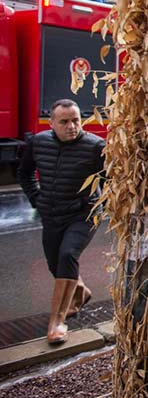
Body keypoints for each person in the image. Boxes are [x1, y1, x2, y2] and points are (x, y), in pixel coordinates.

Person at [17, 99, 104, 344]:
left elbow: (111, 181)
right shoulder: (38, 143)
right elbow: (24, 172)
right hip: (52, 215)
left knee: (67, 256)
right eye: (64, 122)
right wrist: (36, 199)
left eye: (76, 120)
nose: (71, 126)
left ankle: (57, 321)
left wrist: (102, 207)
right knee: (55, 264)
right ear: (52, 123)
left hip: (83, 215)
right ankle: (81, 291)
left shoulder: (95, 146)